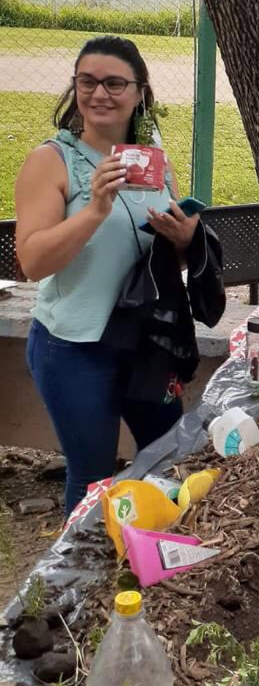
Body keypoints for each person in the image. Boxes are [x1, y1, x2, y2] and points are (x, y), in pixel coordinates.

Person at [15, 36, 208, 514]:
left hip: (147, 341)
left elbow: (159, 260)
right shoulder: (51, 161)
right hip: (75, 347)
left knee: (168, 456)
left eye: (114, 83)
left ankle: (155, 565)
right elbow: (33, 262)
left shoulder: (151, 159)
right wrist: (94, 209)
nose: (99, 93)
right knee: (93, 476)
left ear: (141, 91)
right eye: (87, 81)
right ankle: (80, 586)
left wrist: (183, 239)